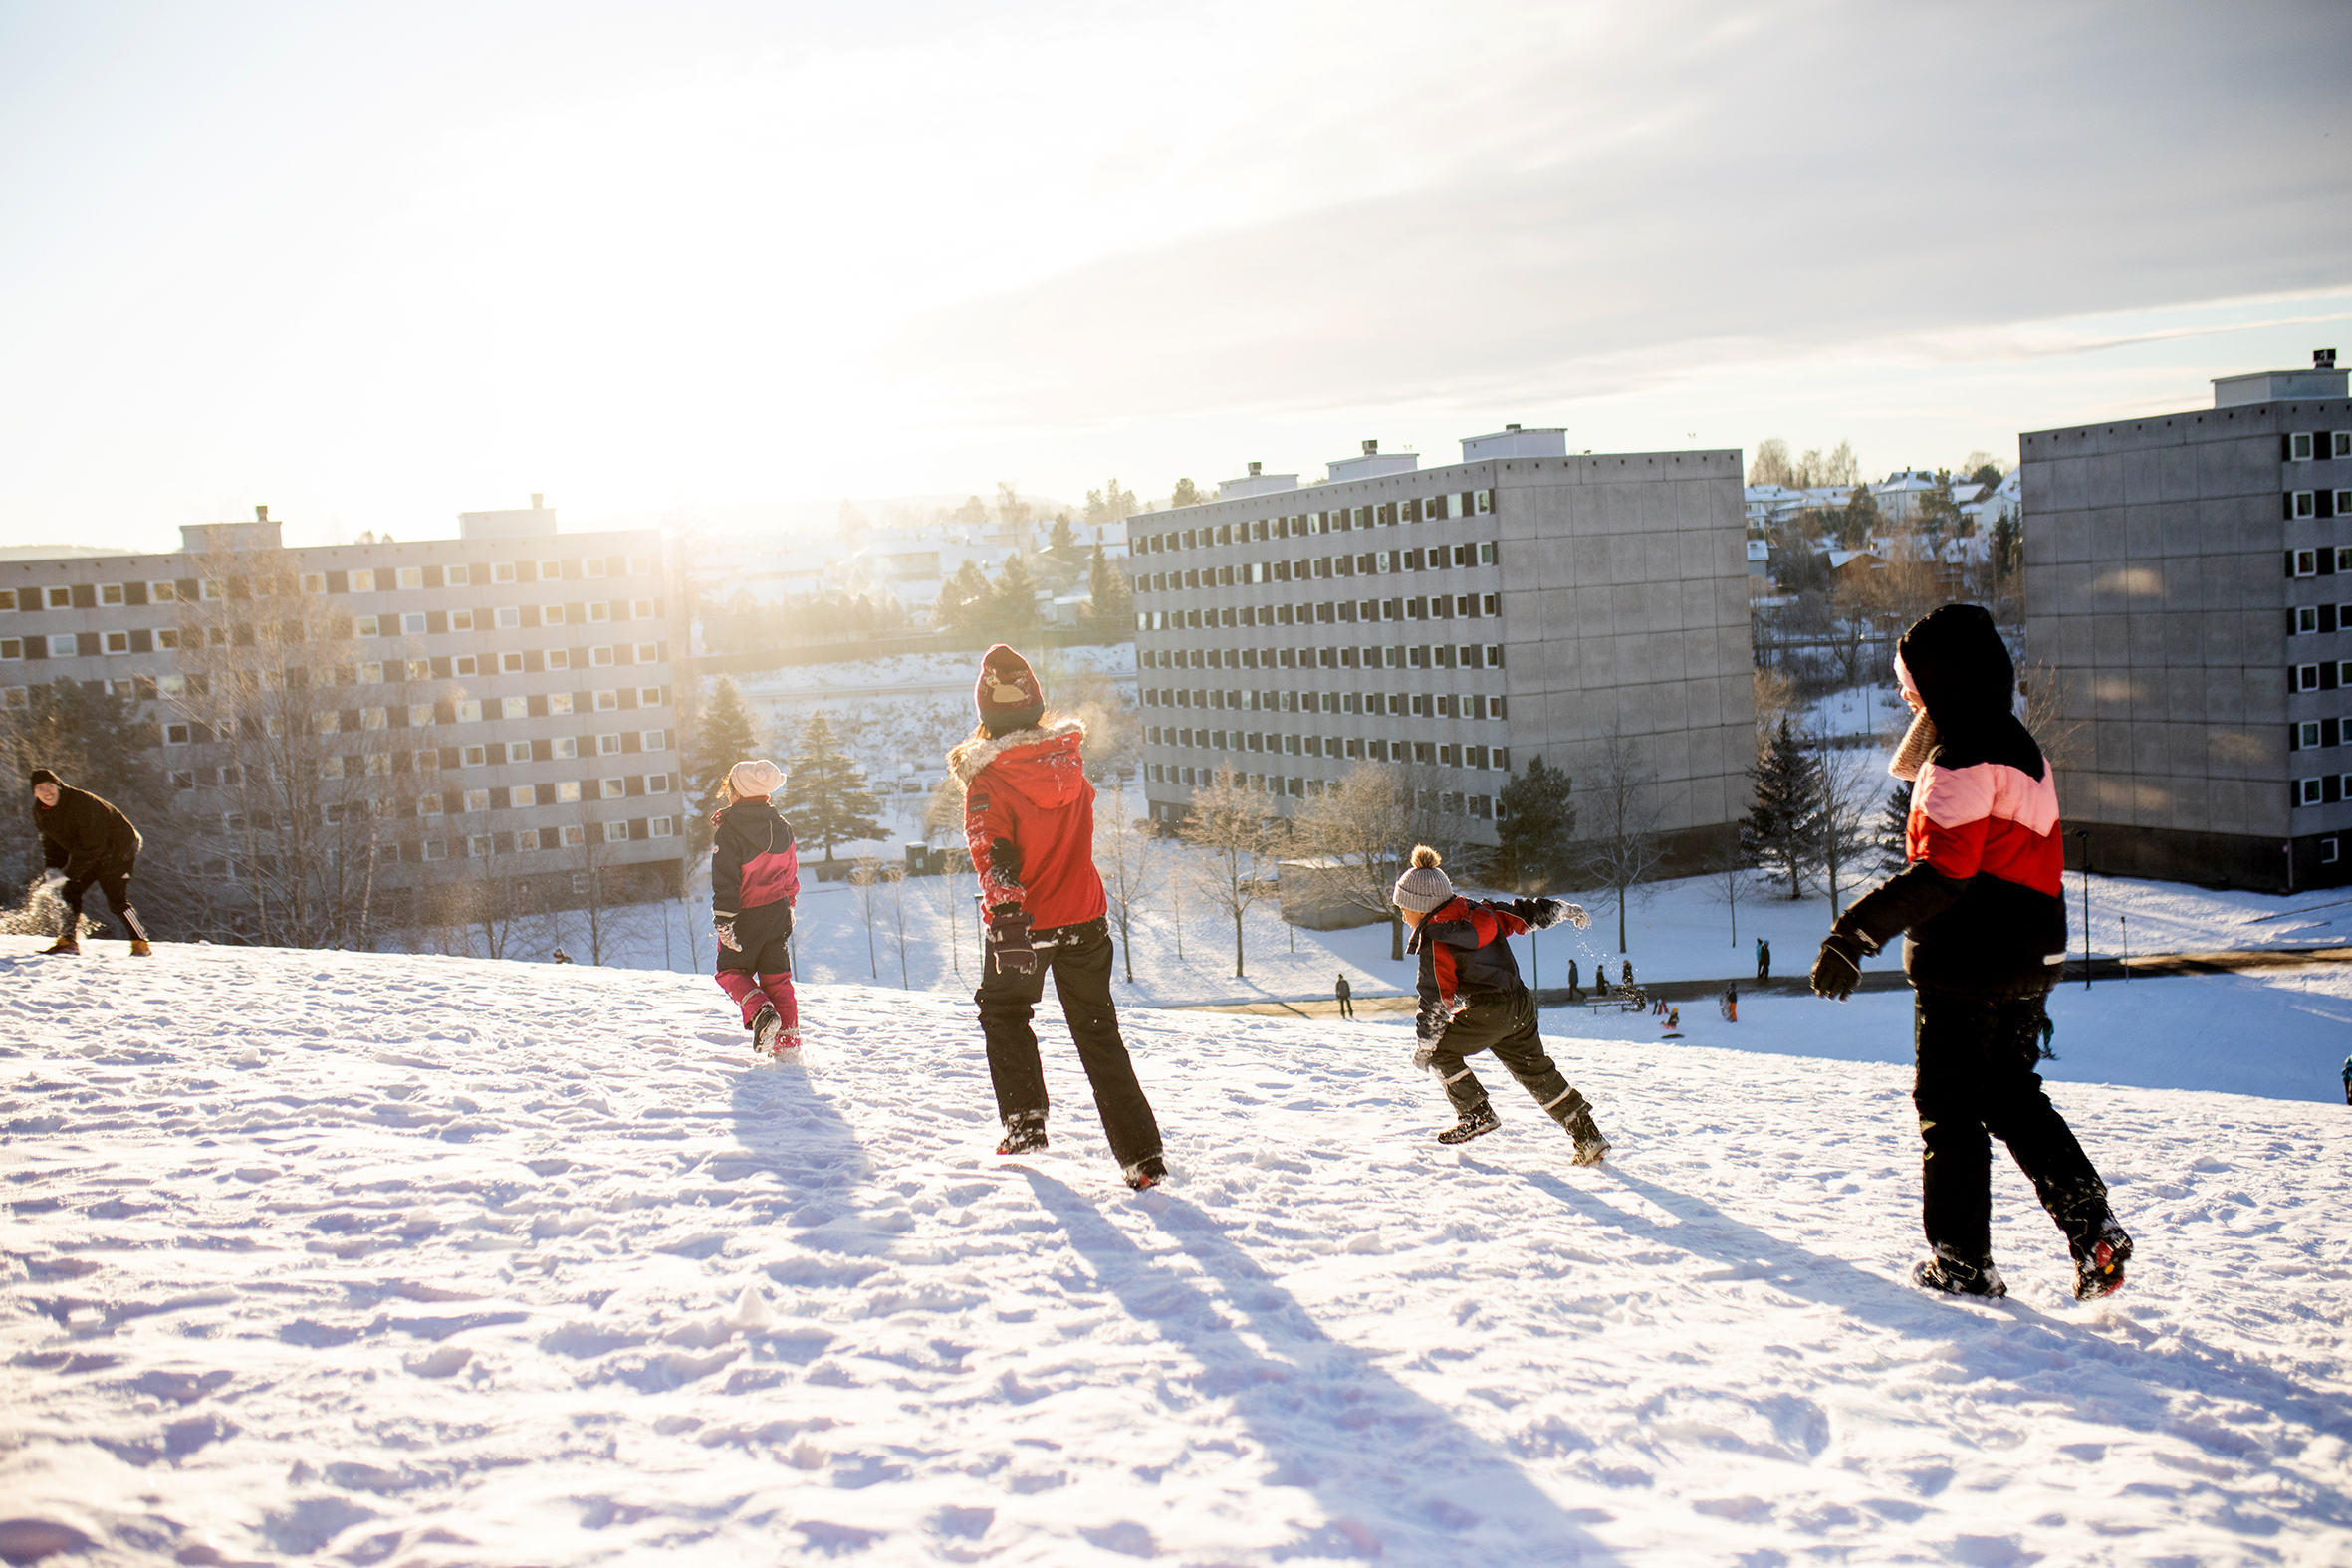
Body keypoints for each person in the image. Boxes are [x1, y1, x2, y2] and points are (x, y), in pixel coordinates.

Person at [1810, 603, 2132, 1303]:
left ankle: (1960, 1259)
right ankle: (2092, 1225)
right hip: (2034, 953)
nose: (1904, 693)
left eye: (1912, 680)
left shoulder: (1958, 759)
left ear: (1946, 681)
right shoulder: (2024, 750)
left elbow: (1945, 874)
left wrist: (1854, 933)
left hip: (1970, 961)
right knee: (2011, 1094)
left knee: (1949, 1105)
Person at [953, 644, 1166, 1191]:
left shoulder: (989, 779)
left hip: (1024, 924)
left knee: (1004, 1013)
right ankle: (1143, 1157)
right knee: (1100, 1036)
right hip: (1086, 917)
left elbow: (991, 854)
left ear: (986, 715)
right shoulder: (1069, 763)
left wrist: (1005, 917)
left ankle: (1025, 1124)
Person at [1394, 845, 1608, 1162]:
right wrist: (1561, 910)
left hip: (1488, 1011)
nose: (1402, 915)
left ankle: (1475, 1112)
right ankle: (1587, 1135)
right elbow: (1523, 913)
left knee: (1441, 1052)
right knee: (1536, 1072)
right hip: (1520, 1004)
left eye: (1405, 907)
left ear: (1423, 907)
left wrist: (1426, 1044)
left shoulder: (1436, 940)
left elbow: (1437, 996)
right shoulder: (1482, 911)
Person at [711, 760, 801, 1057]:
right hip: (777, 912)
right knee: (778, 979)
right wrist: (789, 905)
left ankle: (761, 1011)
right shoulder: (782, 826)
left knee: (730, 971)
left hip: (746, 915)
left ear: (736, 791)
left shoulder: (729, 831)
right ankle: (788, 1046)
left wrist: (724, 921)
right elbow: (790, 872)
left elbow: (726, 881)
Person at [28, 769, 150, 957]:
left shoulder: (81, 803)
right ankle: (67, 942)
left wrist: (68, 873)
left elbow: (92, 845)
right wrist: (53, 868)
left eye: (50, 786)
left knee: (115, 898)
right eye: (40, 788)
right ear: (34, 793)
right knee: (69, 890)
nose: (47, 792)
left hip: (119, 848)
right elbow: (52, 842)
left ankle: (140, 943)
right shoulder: (41, 811)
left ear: (59, 786)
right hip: (91, 850)